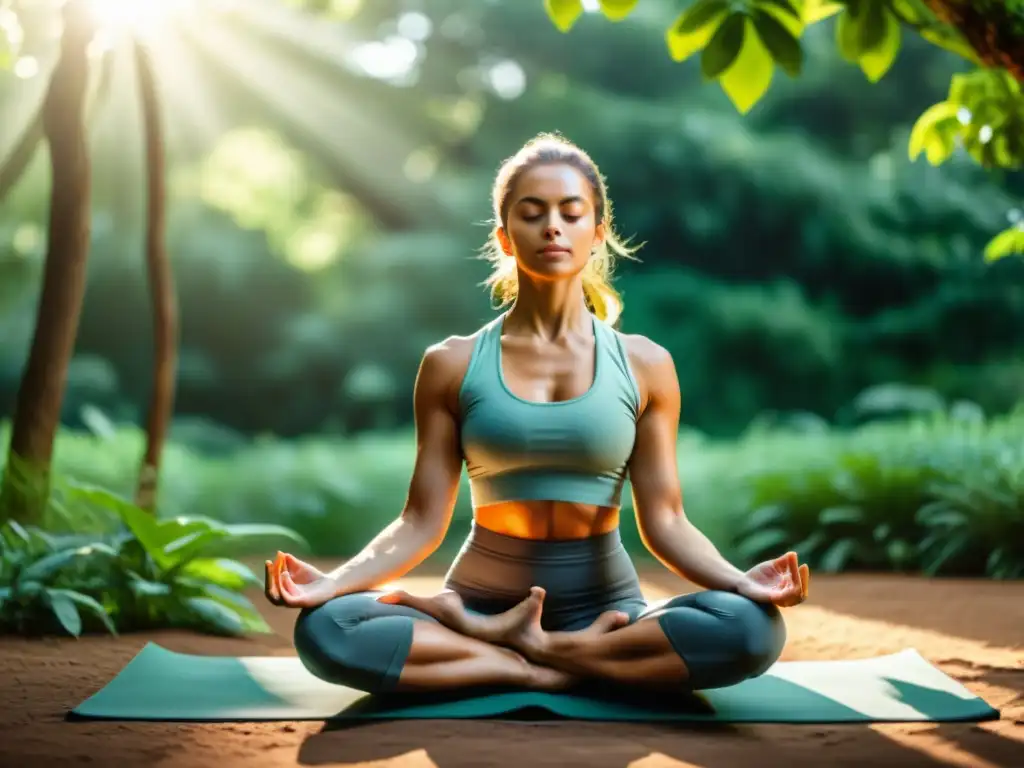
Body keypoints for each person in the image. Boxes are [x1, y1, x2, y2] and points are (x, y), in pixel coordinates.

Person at [264, 132, 810, 697]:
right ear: (505, 236)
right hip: (479, 603)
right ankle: (538, 662)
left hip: (606, 611)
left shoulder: (647, 364)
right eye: (532, 213)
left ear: (598, 233)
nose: (553, 226)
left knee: (750, 628)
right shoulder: (450, 363)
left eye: (572, 213)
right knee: (328, 630)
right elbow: (420, 520)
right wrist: (332, 584)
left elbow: (666, 522)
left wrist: (742, 582)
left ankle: (532, 651)